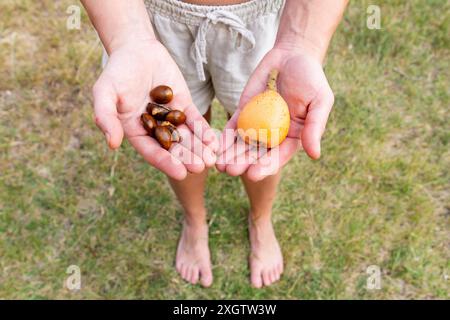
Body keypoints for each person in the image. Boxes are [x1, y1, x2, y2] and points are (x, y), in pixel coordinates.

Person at [81, 0, 348, 288]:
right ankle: (194, 220)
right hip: (149, 20)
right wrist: (127, 38)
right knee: (184, 140)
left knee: (259, 142)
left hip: (261, 22)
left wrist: (302, 43)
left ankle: (260, 219)